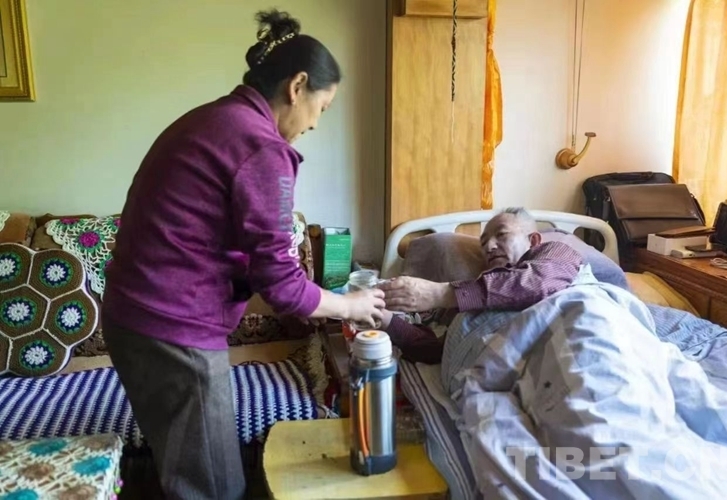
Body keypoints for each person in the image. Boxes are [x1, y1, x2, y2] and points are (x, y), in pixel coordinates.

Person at [101, 10, 384, 500]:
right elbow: (281, 283)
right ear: (298, 86)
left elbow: (240, 249)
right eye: (322, 107)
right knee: (214, 487)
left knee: (190, 475)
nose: (315, 123)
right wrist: (350, 306)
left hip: (137, 320)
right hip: (174, 329)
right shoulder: (260, 146)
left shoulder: (214, 119)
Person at [378, 208, 583, 364]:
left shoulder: (557, 252)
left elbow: (540, 281)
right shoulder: (479, 293)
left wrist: (440, 293)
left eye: (501, 235)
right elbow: (439, 352)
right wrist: (384, 318)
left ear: (534, 240)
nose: (489, 247)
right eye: (483, 243)